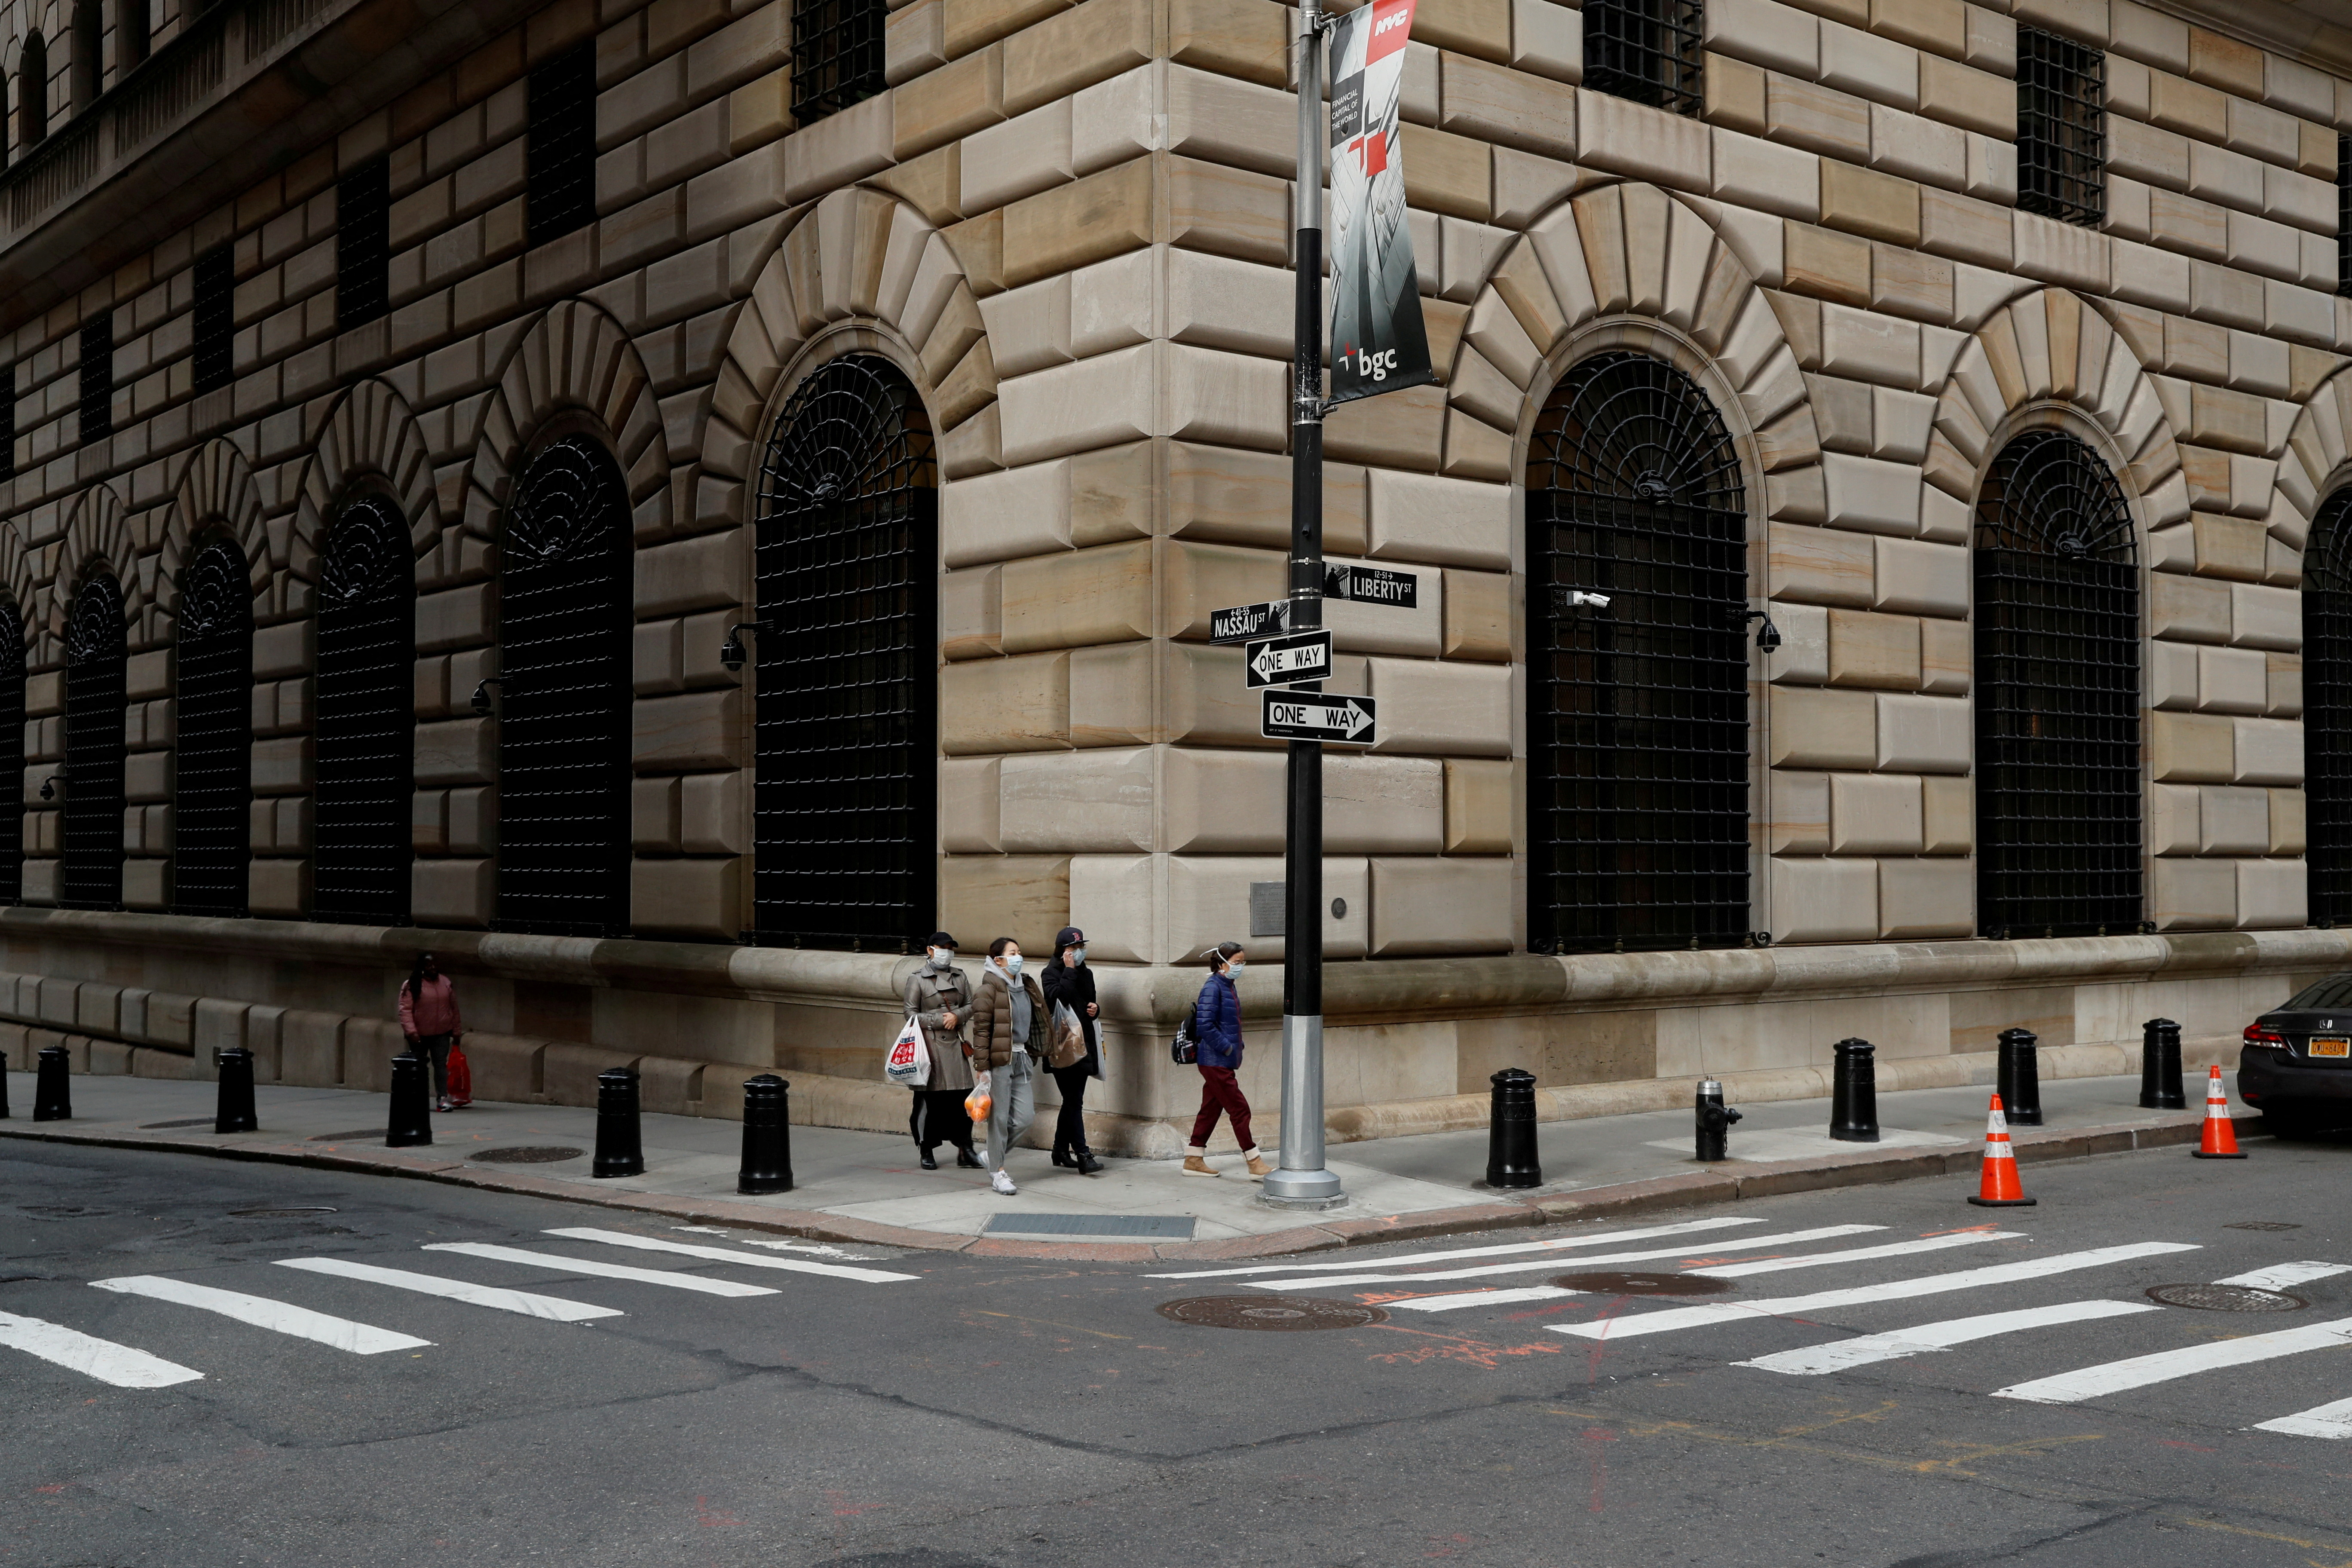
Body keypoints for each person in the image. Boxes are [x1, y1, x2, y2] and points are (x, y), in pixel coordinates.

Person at [1184, 941, 1270, 1179]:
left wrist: (1235, 1048)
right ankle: (1254, 1161)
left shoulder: (1227, 984)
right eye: (1236, 963)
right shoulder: (1214, 986)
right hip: (1215, 1061)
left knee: (1210, 1110)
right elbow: (1205, 1026)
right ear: (1222, 964)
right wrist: (1229, 1049)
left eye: (1243, 962)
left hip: (1219, 1060)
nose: (1240, 967)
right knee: (1240, 1110)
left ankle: (1193, 1159)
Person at [966, 936, 1044, 1195]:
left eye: (1019, 952)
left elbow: (1036, 1023)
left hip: (1021, 1059)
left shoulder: (1025, 986)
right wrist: (982, 1068)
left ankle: (993, 1155)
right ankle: (998, 1173)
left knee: (1024, 1118)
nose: (1018, 957)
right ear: (998, 959)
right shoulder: (987, 990)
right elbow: (981, 1031)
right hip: (1000, 1061)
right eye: (1012, 953)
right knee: (998, 1120)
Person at [901, 931, 982, 1171]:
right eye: (942, 947)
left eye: (950, 948)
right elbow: (909, 1013)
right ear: (930, 950)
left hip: (956, 1046)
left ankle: (965, 1149)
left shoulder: (960, 976)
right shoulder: (918, 979)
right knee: (929, 1101)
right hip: (931, 1047)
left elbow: (971, 1005)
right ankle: (926, 1148)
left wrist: (957, 1016)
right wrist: (939, 1020)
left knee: (962, 1100)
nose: (947, 952)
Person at [1040, 925, 1105, 1175]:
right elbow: (1060, 999)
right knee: (1073, 1101)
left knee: (1072, 1101)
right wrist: (1068, 971)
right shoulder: (1050, 973)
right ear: (1062, 951)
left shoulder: (1086, 973)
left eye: (1081, 947)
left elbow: (1090, 1001)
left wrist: (1095, 1009)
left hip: (1083, 1045)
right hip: (1062, 1046)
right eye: (1073, 948)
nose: (1078, 952)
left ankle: (1060, 1149)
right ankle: (1083, 1154)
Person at [398, 952, 464, 1113]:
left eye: (434, 964)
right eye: (429, 965)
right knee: (419, 1067)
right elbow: (405, 1010)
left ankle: (442, 1098)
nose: (433, 968)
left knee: (441, 1065)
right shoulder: (412, 984)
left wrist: (456, 1031)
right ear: (422, 967)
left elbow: (454, 1009)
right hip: (420, 1035)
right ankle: (417, 1098)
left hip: (441, 1033)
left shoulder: (445, 982)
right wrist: (412, 1032)